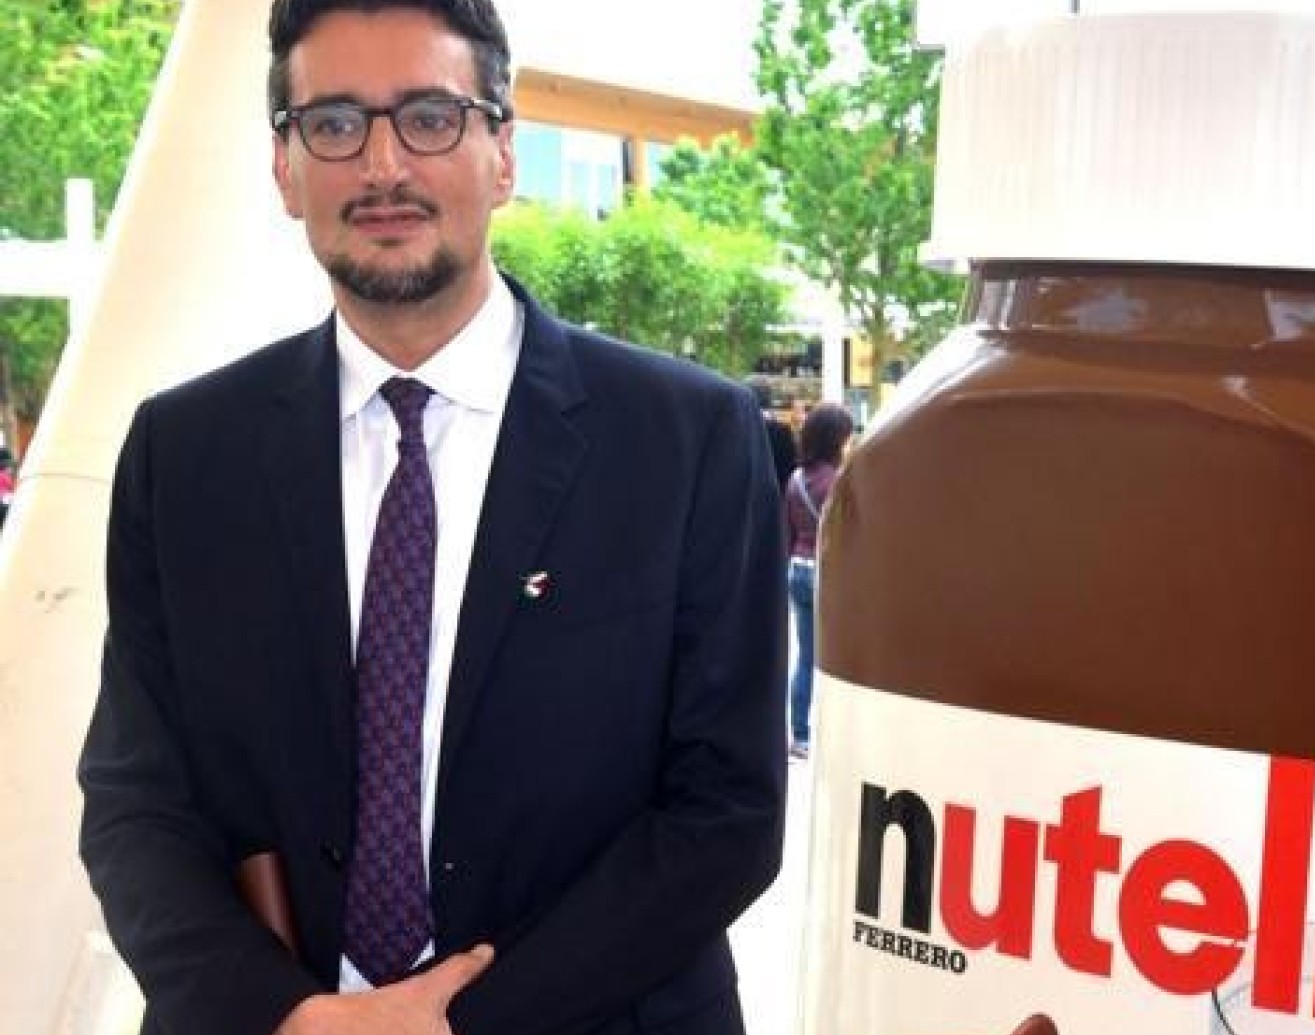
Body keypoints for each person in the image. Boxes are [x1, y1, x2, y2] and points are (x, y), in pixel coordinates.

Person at [76, 2, 787, 1034]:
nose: (383, 166)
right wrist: (294, 1015)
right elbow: (135, 802)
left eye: (429, 117)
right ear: (284, 168)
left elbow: (728, 813)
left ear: (503, 152)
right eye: (334, 124)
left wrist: (446, 1022)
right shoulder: (183, 455)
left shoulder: (687, 442)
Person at [784, 402, 852, 760]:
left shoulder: (795, 478)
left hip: (797, 569)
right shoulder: (839, 482)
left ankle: (799, 735)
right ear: (835, 439)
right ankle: (834, 734)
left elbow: (788, 532)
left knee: (805, 657)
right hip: (826, 573)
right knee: (835, 660)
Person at [748, 377, 796, 492]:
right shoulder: (783, 432)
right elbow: (790, 470)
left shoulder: (740, 428)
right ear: (769, 398)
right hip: (777, 493)